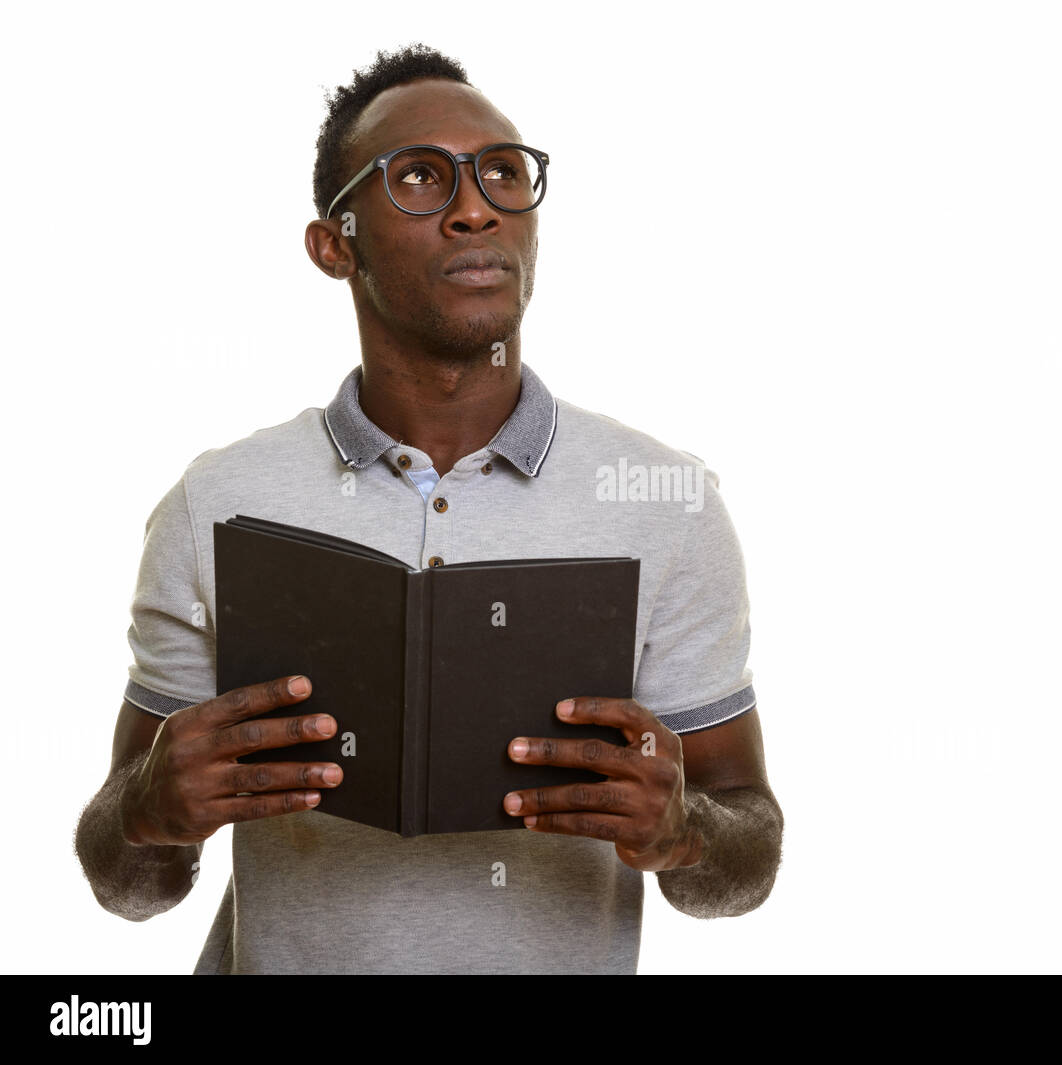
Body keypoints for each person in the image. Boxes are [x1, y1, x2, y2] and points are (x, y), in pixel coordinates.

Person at [74, 44, 782, 974]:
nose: (477, 205)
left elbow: (747, 853)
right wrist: (146, 813)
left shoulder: (665, 504)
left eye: (502, 172)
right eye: (419, 177)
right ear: (336, 244)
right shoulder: (219, 504)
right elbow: (130, 882)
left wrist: (684, 830)